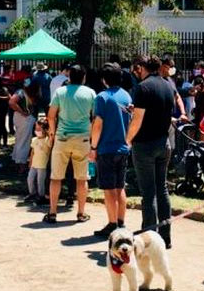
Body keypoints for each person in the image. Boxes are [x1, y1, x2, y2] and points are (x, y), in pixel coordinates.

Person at [125, 55, 175, 248]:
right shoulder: (167, 85)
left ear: (141, 67)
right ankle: (166, 236)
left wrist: (128, 139)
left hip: (145, 144)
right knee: (162, 189)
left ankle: (148, 237)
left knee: (148, 192)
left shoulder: (142, 87)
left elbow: (137, 120)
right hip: (163, 143)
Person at [43, 65, 96, 223]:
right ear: (84, 77)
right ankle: (81, 213)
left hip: (62, 138)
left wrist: (52, 133)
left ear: (69, 77)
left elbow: (51, 116)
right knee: (82, 179)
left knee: (56, 178)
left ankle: (52, 212)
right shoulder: (91, 93)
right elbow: (95, 117)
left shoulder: (60, 92)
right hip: (83, 139)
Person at [90, 63, 132, 238]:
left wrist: (93, 147)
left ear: (104, 79)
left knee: (108, 189)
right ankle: (121, 221)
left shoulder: (102, 97)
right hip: (123, 147)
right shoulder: (126, 96)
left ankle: (112, 223)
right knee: (120, 186)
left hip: (106, 148)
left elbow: (98, 124)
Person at [10, 82, 40, 173]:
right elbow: (11, 102)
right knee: (24, 142)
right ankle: (22, 166)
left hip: (20, 117)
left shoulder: (21, 92)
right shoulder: (23, 93)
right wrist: (22, 112)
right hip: (25, 118)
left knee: (19, 140)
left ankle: (16, 163)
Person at [24, 118, 51, 204]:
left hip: (42, 165)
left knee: (40, 181)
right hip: (34, 164)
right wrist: (30, 162)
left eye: (39, 129)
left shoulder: (47, 140)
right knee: (30, 179)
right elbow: (32, 152)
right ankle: (32, 193)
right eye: (36, 129)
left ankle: (41, 195)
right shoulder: (34, 140)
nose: (37, 130)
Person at [0, 76, 11, 148]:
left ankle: (5, 143)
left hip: (2, 110)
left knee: (2, 126)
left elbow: (9, 97)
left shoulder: (3, 89)